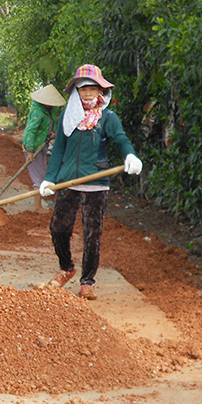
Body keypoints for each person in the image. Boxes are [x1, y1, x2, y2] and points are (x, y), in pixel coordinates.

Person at [39, 65, 143, 300]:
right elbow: (58, 149)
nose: (87, 93)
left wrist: (130, 155)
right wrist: (49, 178)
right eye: (83, 89)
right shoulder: (68, 116)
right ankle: (66, 268)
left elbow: (121, 140)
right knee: (58, 228)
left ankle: (87, 281)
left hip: (96, 183)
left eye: (92, 89)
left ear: (101, 91)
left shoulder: (108, 117)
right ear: (76, 91)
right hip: (67, 182)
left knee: (92, 235)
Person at [23, 85, 66, 212]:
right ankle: (37, 207)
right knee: (39, 177)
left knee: (42, 174)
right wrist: (30, 151)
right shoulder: (38, 112)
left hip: (41, 146)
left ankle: (39, 204)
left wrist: (51, 133)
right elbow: (31, 131)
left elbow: (47, 127)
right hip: (34, 148)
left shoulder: (48, 111)